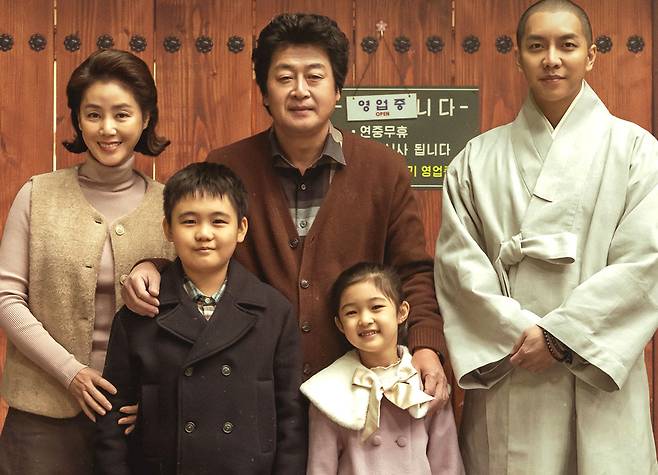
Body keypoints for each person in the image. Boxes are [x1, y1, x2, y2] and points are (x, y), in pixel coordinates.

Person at [121, 12, 449, 407]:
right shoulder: (228, 166)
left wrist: (426, 345)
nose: (300, 91)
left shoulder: (383, 169)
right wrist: (153, 267)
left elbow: (412, 270)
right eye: (284, 77)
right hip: (250, 389)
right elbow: (204, 259)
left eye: (315, 76)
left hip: (358, 390)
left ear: (337, 89)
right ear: (264, 91)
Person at [434, 1, 658, 473]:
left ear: (590, 56)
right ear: (518, 57)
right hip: (512, 367)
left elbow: (646, 262)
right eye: (537, 46)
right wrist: (521, 335)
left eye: (567, 45)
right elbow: (459, 269)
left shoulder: (637, 151)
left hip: (595, 370)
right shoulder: (475, 159)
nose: (551, 59)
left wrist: (561, 338)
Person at [0, 49, 174, 474]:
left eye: (122, 114)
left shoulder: (172, 205)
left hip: (135, 418)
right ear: (78, 121)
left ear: (146, 118)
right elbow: (6, 298)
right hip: (42, 416)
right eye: (93, 114)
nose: (107, 128)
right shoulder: (37, 195)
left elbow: (195, 305)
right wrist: (70, 372)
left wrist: (158, 397)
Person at [94, 162, 306, 474]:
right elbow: (111, 421)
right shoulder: (138, 315)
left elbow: (291, 420)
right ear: (168, 229)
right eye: (189, 221)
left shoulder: (274, 311)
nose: (204, 234)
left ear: (241, 229)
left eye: (218, 221)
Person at [301, 263, 464, 474]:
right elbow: (320, 468)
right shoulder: (328, 391)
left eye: (376, 307)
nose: (365, 320)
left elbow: (447, 465)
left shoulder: (426, 382)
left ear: (401, 312)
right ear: (340, 324)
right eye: (351, 312)